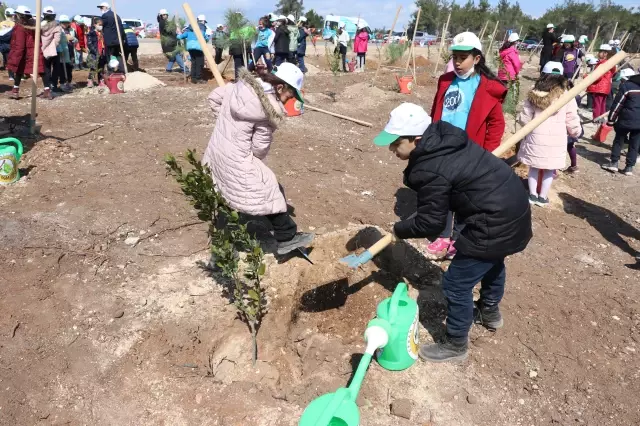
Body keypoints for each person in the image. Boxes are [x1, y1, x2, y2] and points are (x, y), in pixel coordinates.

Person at [374, 102, 532, 362]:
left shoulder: (431, 167)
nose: (391, 148)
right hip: (513, 209)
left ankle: (456, 344)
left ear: (415, 139)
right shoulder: (444, 139)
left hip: (493, 221)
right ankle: (489, 312)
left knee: (456, 284)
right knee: (492, 261)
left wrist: (398, 229)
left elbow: (431, 224)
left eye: (395, 142)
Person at [202, 63, 314, 255]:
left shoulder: (239, 87)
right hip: (237, 157)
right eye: (290, 94)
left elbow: (214, 98)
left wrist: (225, 125)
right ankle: (287, 236)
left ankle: (222, 243)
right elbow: (259, 149)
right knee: (268, 187)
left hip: (217, 149)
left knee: (225, 191)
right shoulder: (266, 111)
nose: (290, 99)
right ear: (280, 87)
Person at [427, 31, 507, 260]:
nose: (458, 62)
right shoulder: (446, 81)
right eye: (455, 57)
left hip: (470, 152)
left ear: (477, 58)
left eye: (464, 57)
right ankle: (443, 235)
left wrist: (488, 153)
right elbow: (436, 112)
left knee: (464, 197)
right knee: (443, 193)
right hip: (443, 149)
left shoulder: (487, 88)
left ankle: (459, 238)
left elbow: (496, 124)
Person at [518, 63, 582, 206]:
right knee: (549, 169)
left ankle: (532, 195)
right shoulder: (567, 95)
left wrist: (523, 125)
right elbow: (571, 118)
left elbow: (525, 116)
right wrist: (576, 131)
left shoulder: (534, 93)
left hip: (535, 137)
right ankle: (542, 197)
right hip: (556, 139)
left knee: (533, 167)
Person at [602, 68, 640, 176]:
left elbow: (617, 105)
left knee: (619, 140)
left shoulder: (627, 87)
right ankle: (629, 168)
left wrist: (611, 120)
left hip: (625, 120)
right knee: (634, 144)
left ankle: (614, 163)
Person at [6, 6, 49, 99]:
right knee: (41, 70)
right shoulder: (34, 24)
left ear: (20, 16)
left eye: (15, 15)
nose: (14, 17)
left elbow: (19, 45)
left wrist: (14, 59)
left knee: (19, 70)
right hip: (35, 51)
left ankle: (15, 91)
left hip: (26, 53)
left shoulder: (20, 27)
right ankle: (47, 91)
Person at [177, 14, 210, 84]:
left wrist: (178, 34)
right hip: (198, 47)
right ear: (203, 21)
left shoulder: (189, 27)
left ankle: (193, 79)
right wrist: (207, 39)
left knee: (194, 62)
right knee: (200, 63)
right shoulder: (202, 27)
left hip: (190, 48)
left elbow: (181, 36)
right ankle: (199, 78)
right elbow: (205, 38)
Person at [587, 44, 615, 121]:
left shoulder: (602, 64)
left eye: (600, 52)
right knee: (602, 103)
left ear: (605, 53)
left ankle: (596, 118)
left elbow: (597, 76)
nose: (598, 53)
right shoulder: (610, 63)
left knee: (597, 104)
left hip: (599, 87)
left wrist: (586, 77)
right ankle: (601, 118)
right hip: (605, 87)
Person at [98, 2, 125, 73]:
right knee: (118, 56)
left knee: (109, 56)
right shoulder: (116, 16)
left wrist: (98, 27)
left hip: (110, 41)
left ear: (106, 7)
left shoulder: (105, 16)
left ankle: (111, 72)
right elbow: (121, 28)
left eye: (102, 7)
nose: (100, 9)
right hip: (118, 41)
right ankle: (121, 70)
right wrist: (123, 38)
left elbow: (100, 25)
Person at [40, 6, 61, 93]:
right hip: (55, 50)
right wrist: (53, 47)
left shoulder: (39, 25)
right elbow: (57, 40)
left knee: (46, 69)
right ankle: (54, 85)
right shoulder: (56, 25)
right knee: (55, 69)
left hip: (43, 50)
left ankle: (47, 87)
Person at [86, 17, 106, 88]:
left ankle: (101, 80)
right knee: (93, 67)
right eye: (99, 24)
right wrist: (95, 51)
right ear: (95, 25)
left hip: (102, 52)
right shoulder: (91, 33)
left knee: (101, 67)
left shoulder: (103, 33)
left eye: (101, 25)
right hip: (95, 53)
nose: (101, 26)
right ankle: (90, 80)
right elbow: (89, 44)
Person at [58, 15, 75, 92]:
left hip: (70, 51)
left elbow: (76, 40)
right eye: (63, 23)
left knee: (69, 68)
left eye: (66, 23)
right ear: (60, 23)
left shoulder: (72, 30)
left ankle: (69, 82)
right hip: (62, 51)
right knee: (61, 68)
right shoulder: (59, 30)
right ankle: (62, 83)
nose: (65, 24)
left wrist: (73, 39)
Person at [0, 7, 15, 79]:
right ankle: (11, 76)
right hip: (10, 44)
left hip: (2, 44)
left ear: (5, 15)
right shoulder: (14, 24)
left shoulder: (1, 23)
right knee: (10, 60)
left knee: (5, 59)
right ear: (12, 15)